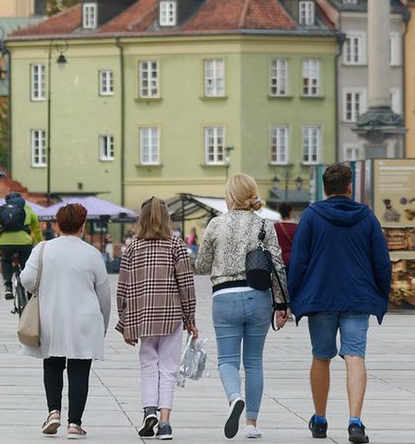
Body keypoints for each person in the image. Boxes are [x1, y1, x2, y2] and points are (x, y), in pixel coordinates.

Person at [288, 163, 390, 444]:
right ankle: (355, 422)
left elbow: (298, 260)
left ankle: (319, 420)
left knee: (322, 356)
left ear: (324, 188)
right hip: (357, 297)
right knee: (355, 356)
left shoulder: (311, 216)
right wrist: (382, 293)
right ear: (350, 187)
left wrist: (290, 297)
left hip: (320, 297)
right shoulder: (367, 217)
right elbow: (381, 261)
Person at [194, 174, 288, 440]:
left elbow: (201, 265)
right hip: (258, 296)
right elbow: (277, 267)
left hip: (224, 298)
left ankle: (235, 398)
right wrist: (282, 304)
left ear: (230, 196)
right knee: (254, 362)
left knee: (227, 360)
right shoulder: (264, 225)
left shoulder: (215, 224)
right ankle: (252, 424)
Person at [21, 203, 111, 439]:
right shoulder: (92, 253)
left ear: (57, 225)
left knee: (52, 364)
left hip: (51, 315)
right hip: (85, 319)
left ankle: (53, 412)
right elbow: (104, 295)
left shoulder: (42, 249)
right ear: (83, 226)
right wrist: (102, 326)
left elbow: (27, 279)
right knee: (79, 370)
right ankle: (75, 423)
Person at [116, 197, 198, 440]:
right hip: (171, 314)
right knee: (169, 368)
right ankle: (164, 422)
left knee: (148, 364)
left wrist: (124, 322)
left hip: (142, 316)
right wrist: (190, 317)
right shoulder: (176, 244)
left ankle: (149, 408)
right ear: (166, 218)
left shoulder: (132, 246)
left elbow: (123, 287)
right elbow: (186, 284)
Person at [0, 192, 43, 300]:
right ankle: (30, 292)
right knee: (27, 264)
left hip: (5, 244)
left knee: (5, 261)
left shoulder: (0, 210)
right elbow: (37, 228)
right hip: (24, 243)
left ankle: (8, 287)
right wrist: (40, 243)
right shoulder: (28, 209)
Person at [273, 202, 298, 267]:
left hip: (279, 259)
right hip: (294, 259)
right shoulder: (297, 227)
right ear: (290, 212)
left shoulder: (275, 226)